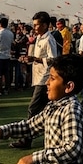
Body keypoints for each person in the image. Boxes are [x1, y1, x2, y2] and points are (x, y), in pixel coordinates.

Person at [11, 11, 58, 150]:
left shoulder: (49, 39)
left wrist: (35, 59)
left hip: (45, 79)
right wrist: (28, 59)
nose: (35, 27)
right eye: (34, 24)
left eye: (37, 25)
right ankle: (53, 135)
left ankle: (26, 140)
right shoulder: (39, 38)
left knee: (33, 109)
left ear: (45, 25)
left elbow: (53, 59)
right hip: (38, 76)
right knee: (47, 110)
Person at [0, 17, 14, 94]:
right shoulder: (11, 34)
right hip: (7, 56)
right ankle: (7, 89)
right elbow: (11, 43)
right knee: (7, 74)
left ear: (0, 24)